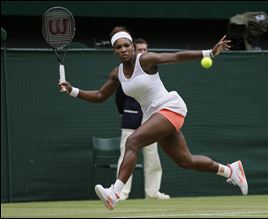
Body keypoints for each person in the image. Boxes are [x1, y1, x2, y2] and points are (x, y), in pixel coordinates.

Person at [58, 26, 248, 210]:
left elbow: (176, 56)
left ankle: (114, 193)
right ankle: (231, 171)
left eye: (126, 45)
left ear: (132, 46)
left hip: (170, 108)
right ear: (114, 51)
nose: (123, 50)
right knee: (186, 161)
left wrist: (209, 53)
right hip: (154, 116)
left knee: (132, 141)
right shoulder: (117, 74)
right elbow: (100, 96)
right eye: (118, 47)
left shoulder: (146, 60)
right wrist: (72, 91)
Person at [115, 38, 170, 200]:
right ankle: (121, 193)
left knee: (153, 157)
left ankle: (152, 193)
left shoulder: (149, 68)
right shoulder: (124, 72)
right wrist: (124, 113)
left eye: (145, 50)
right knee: (126, 154)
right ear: (134, 50)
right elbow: (119, 97)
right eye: (140, 50)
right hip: (130, 120)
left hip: (150, 119)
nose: (143, 53)